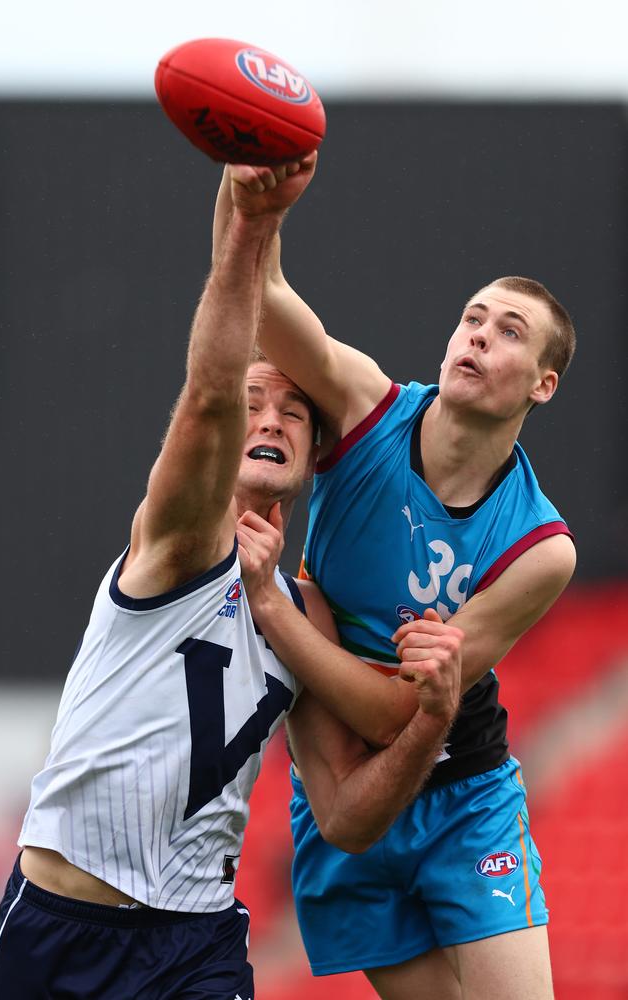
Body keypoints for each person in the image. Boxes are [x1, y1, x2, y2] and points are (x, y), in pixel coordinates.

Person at [0, 161, 463, 1000]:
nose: (269, 417)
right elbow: (208, 398)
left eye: (294, 409)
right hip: (64, 925)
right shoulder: (182, 541)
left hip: (195, 942)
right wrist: (247, 227)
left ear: (317, 452)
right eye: (255, 402)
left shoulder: (306, 610)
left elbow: (348, 816)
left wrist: (433, 719)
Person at [213, 155, 577, 1000]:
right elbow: (258, 297)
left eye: (510, 331)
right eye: (472, 318)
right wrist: (251, 197)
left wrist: (273, 606)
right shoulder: (363, 403)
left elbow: (397, 710)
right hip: (342, 780)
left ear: (544, 385)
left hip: (462, 787)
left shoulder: (540, 547)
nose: (479, 335)